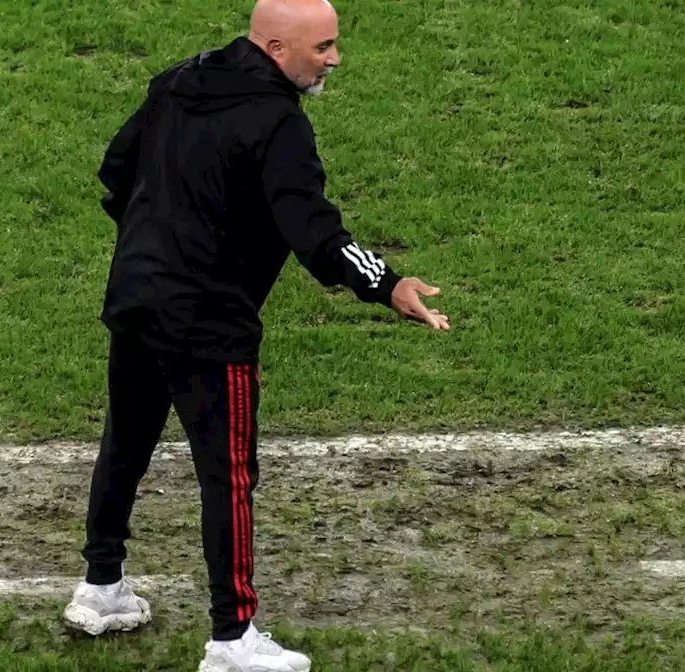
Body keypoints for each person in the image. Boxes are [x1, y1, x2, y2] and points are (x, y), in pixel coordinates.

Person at [61, 0, 449, 669]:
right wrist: (388, 285)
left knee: (125, 446)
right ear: (276, 48)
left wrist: (153, 247)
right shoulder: (279, 124)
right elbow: (317, 235)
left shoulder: (176, 81)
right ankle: (232, 637)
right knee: (229, 477)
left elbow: (116, 174)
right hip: (209, 322)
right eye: (323, 47)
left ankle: (101, 589)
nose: (334, 60)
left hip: (135, 296)